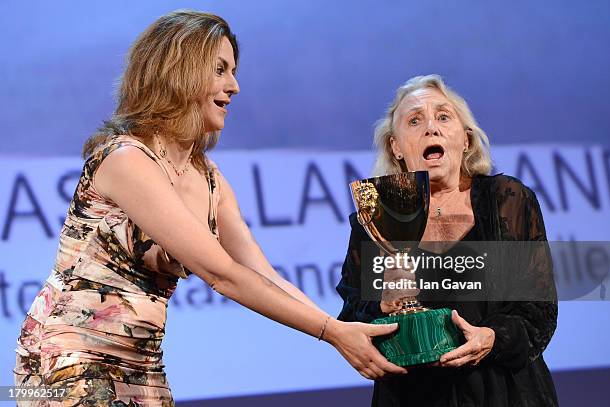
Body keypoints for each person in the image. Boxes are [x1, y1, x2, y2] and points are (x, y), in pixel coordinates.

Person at [13, 10, 406, 406]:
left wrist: (346, 329)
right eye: (220, 69)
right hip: (67, 356)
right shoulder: (126, 159)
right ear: (178, 71)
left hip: (143, 362)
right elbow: (223, 275)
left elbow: (261, 274)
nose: (234, 86)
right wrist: (331, 333)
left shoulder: (210, 179)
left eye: (233, 71)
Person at [337, 74, 559, 406]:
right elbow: (353, 317)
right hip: (413, 396)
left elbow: (538, 311)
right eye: (414, 120)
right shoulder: (375, 219)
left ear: (466, 140)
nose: (431, 128)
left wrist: (491, 338)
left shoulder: (508, 199)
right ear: (395, 147)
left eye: (443, 116)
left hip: (505, 392)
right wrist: (383, 304)